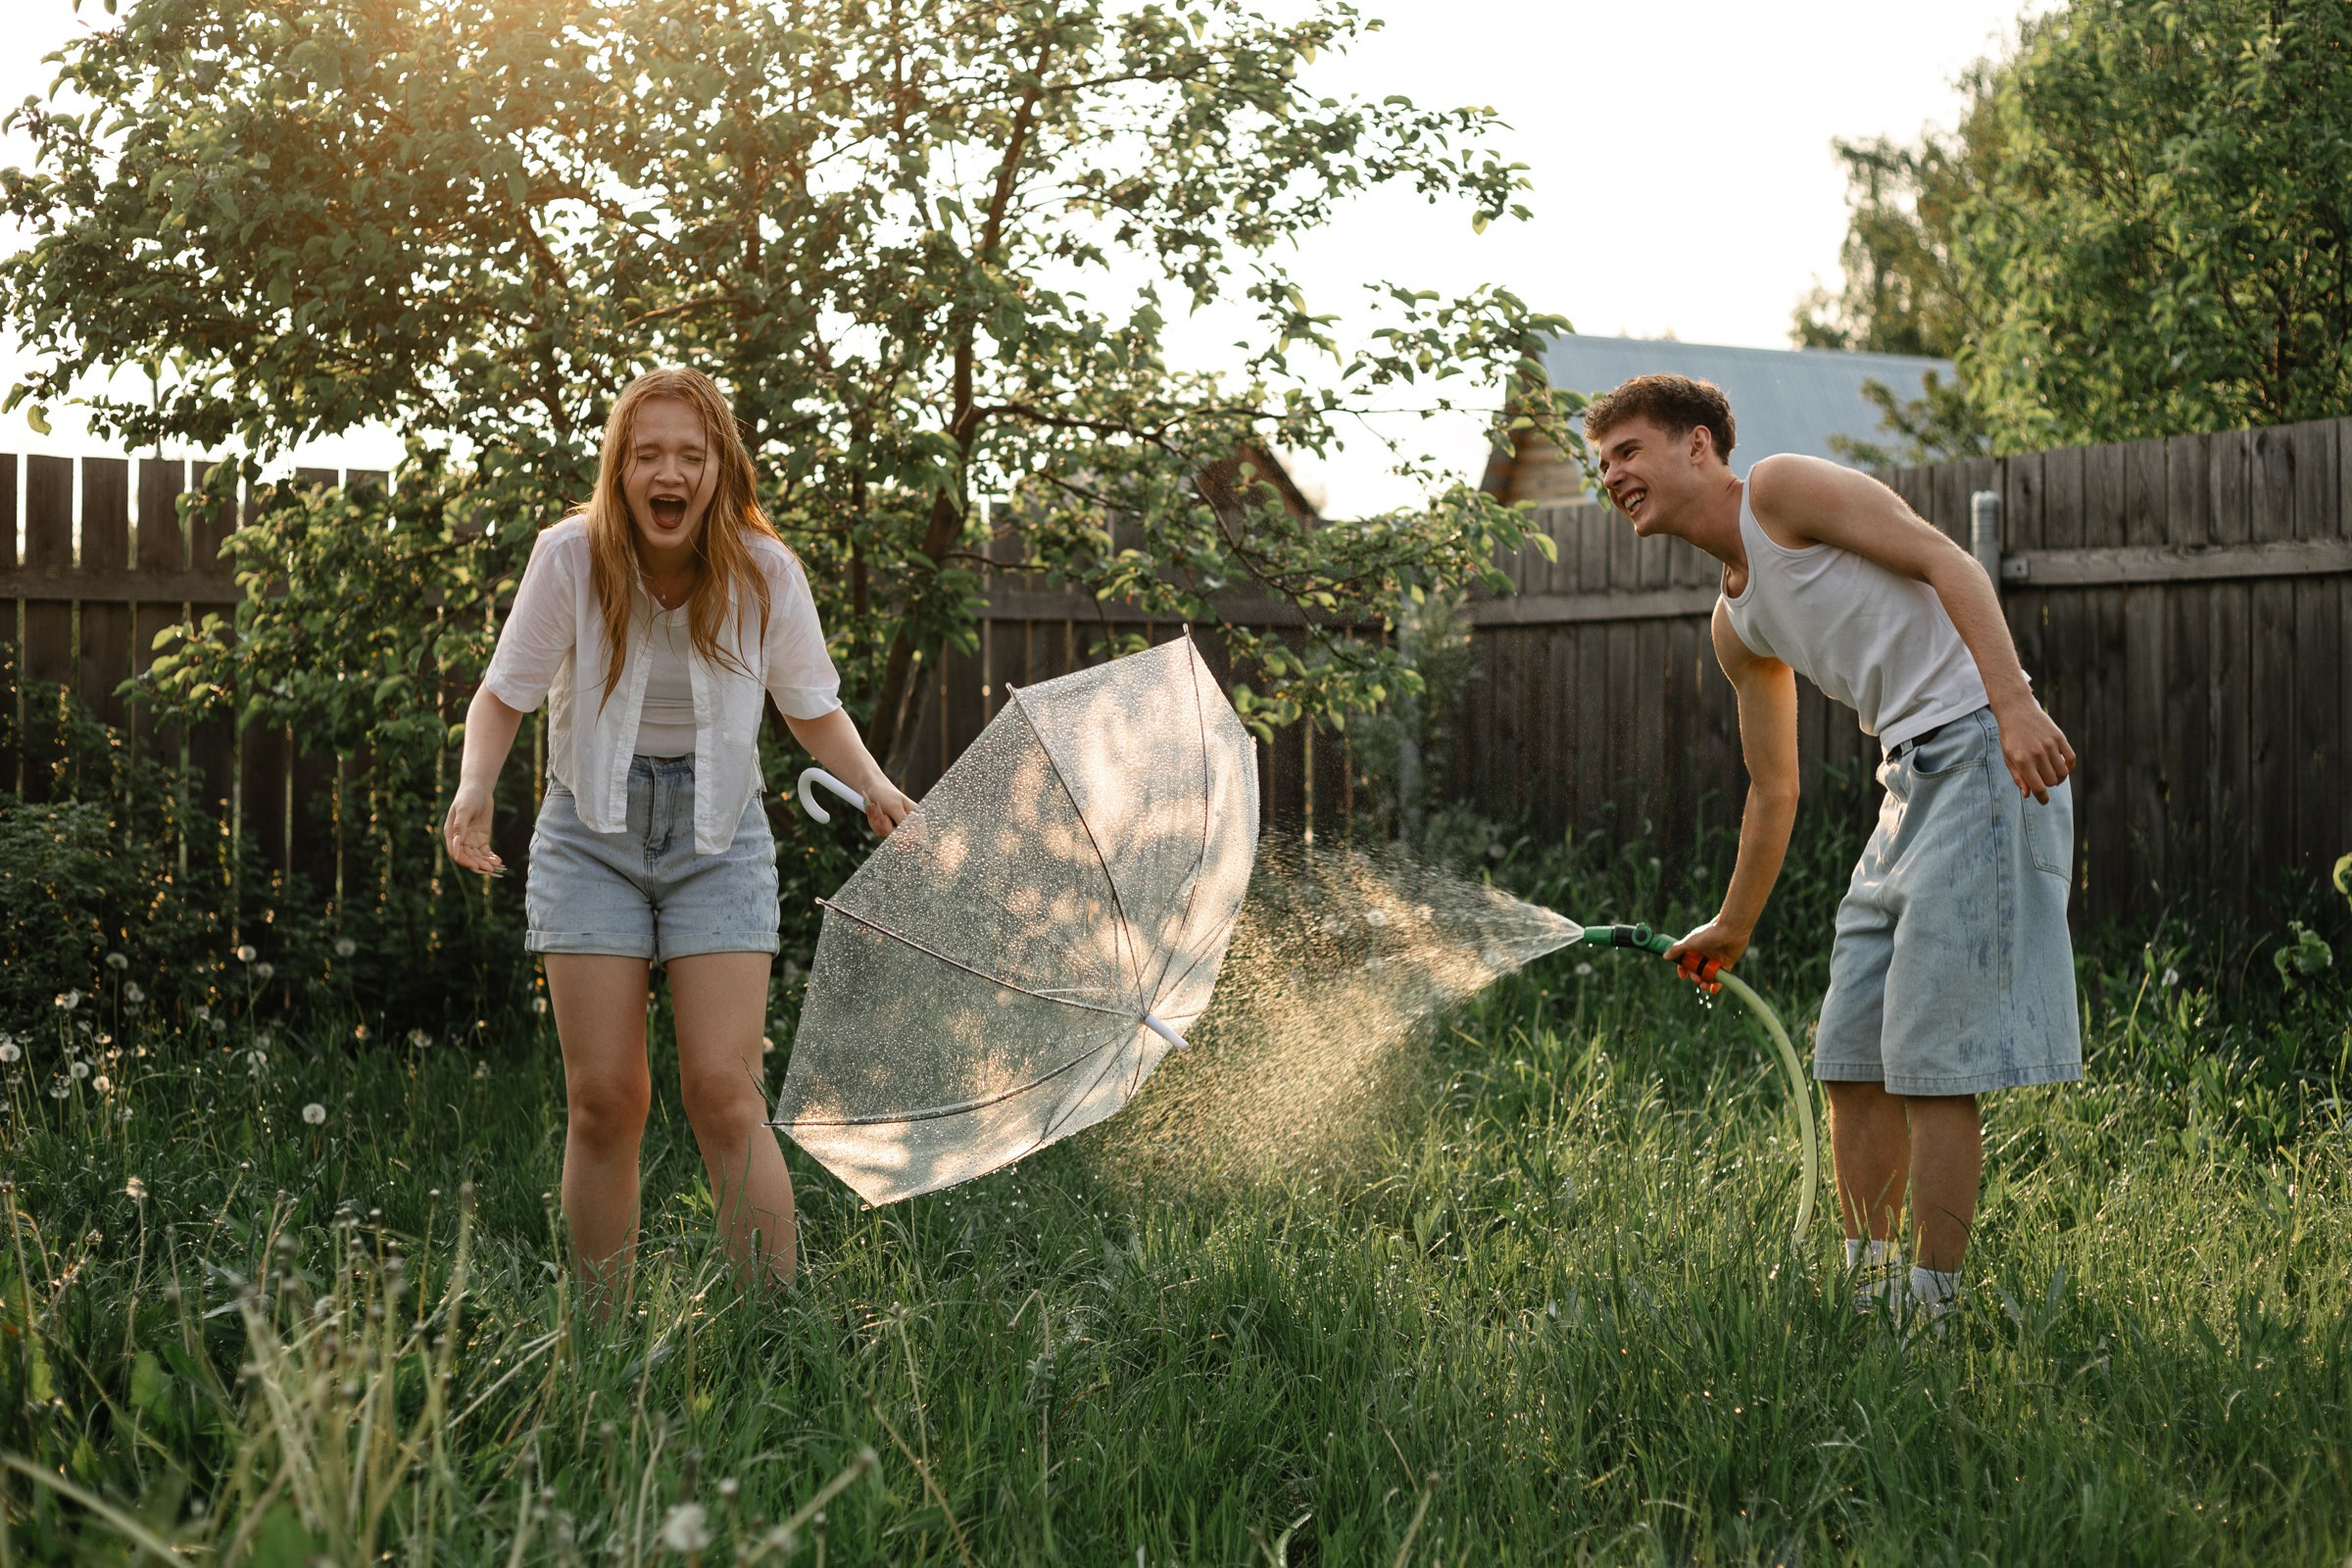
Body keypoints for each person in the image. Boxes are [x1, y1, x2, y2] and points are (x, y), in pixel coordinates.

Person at [1582, 373, 2079, 1326]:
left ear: (1698, 446)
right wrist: (1733, 925)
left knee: (1933, 1059)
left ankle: (1934, 1314)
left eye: (1629, 450)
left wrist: (2013, 703)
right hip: (1905, 787)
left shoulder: (1780, 491)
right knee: (1849, 1052)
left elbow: (1946, 559)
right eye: (1603, 462)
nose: (1613, 475)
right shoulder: (1736, 623)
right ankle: (1871, 1292)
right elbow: (1776, 787)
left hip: (1979, 748)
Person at [441, 367, 913, 1298]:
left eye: (690, 455)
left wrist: (876, 787)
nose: (670, 471)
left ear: (717, 469)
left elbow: (811, 707)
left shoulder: (765, 570)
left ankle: (775, 1330)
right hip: (589, 839)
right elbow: (503, 697)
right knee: (605, 1099)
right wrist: (473, 789)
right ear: (621, 470)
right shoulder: (570, 558)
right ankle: (601, 1335)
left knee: (725, 1094)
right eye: (649, 453)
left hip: (719, 842)